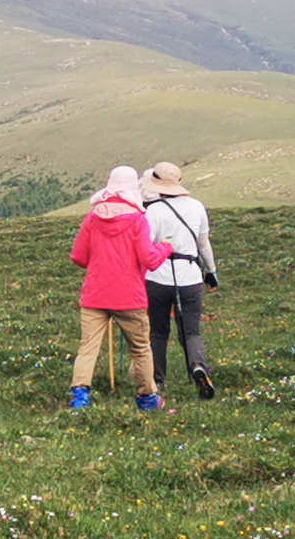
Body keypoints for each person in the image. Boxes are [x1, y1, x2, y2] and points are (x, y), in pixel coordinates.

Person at [68, 165, 173, 411]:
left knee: (88, 348)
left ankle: (80, 398)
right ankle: (147, 399)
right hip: (130, 296)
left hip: (95, 294)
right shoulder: (138, 219)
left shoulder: (93, 217)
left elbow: (78, 257)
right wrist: (166, 248)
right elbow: (150, 260)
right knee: (141, 349)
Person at [137, 160, 219, 399]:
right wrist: (211, 271)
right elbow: (203, 243)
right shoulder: (197, 207)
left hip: (158, 277)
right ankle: (198, 366)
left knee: (158, 331)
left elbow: (146, 246)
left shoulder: (153, 210)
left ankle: (158, 380)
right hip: (190, 277)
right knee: (191, 331)